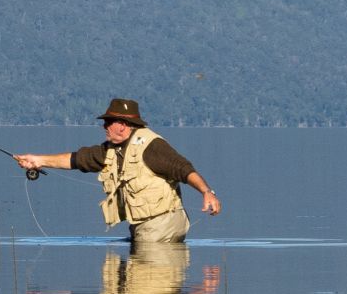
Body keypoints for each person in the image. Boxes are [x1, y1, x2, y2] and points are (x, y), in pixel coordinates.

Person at [13, 97, 220, 242]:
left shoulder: (152, 146)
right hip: (147, 229)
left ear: (122, 124)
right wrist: (38, 160)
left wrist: (206, 192)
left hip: (162, 226)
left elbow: (184, 169)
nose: (104, 127)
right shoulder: (111, 150)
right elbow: (77, 159)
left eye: (108, 123)